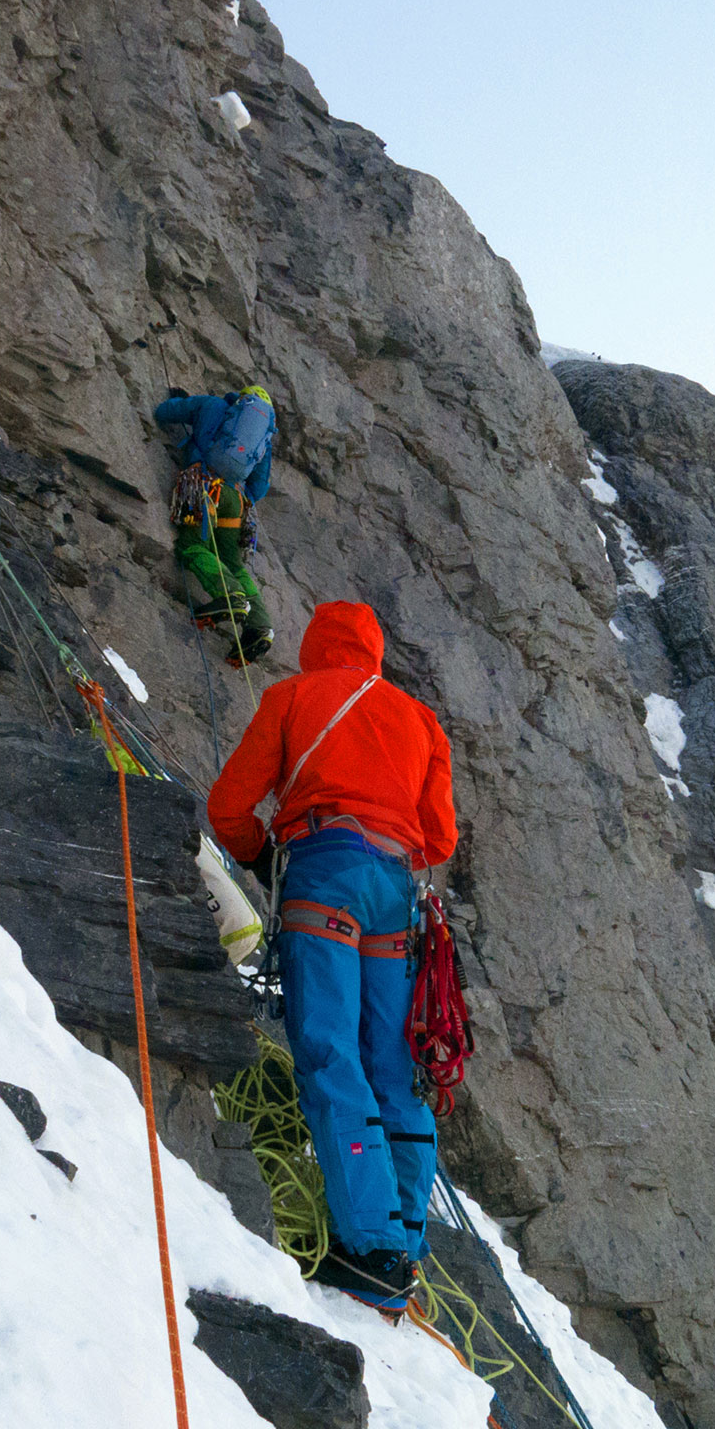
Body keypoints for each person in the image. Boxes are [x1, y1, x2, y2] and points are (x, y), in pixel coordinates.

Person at [207, 601, 459, 1311]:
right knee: (391, 1066)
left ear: (318, 646)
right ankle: (403, 1241)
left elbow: (230, 806)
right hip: (395, 895)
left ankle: (370, 1249)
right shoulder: (421, 721)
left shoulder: (292, 697)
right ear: (375, 653)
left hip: (323, 875)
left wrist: (264, 861)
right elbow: (438, 840)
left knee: (328, 1051)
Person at [153, 385, 277, 669]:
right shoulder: (264, 438)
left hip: (204, 485)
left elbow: (164, 412)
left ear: (240, 399)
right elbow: (258, 487)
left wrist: (182, 403)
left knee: (192, 545)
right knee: (233, 563)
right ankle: (260, 626)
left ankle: (229, 596)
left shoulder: (213, 405)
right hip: (235, 499)